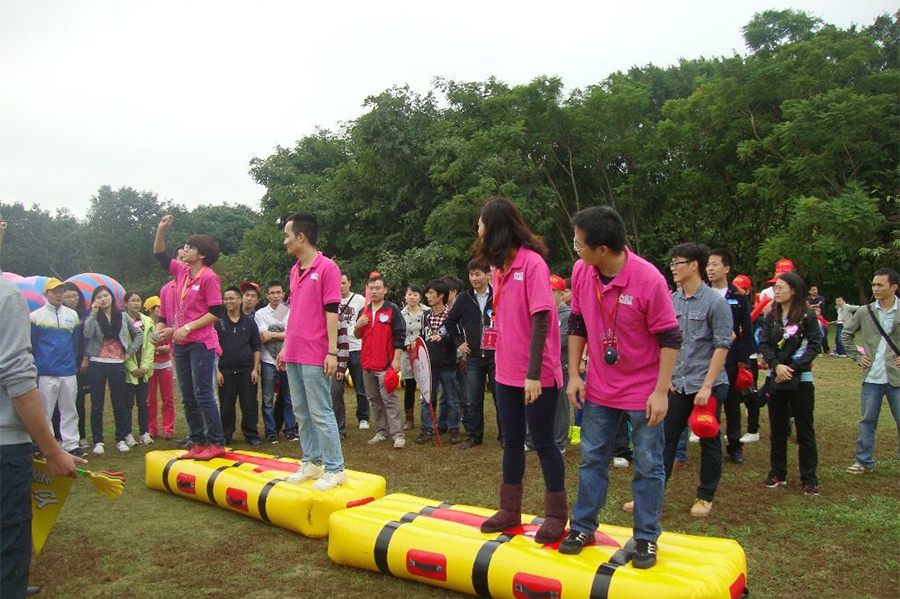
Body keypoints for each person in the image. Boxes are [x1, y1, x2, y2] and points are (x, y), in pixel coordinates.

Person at [559, 206, 681, 569]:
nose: (576, 250)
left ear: (602, 249)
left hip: (643, 391)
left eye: (579, 244)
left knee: (648, 464)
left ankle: (646, 537)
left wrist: (661, 391)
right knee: (592, 458)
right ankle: (583, 527)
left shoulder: (648, 279)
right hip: (599, 387)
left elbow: (670, 338)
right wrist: (575, 375)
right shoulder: (582, 271)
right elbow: (577, 323)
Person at [474, 197, 567, 545]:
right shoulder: (499, 268)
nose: (478, 229)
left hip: (535, 374)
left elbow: (542, 318)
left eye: (481, 223)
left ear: (495, 227)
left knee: (543, 442)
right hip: (505, 372)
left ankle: (556, 515)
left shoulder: (532, 264)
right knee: (511, 441)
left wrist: (533, 374)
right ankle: (509, 510)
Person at [0, 210, 82, 599]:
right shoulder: (8, 298)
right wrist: (51, 451)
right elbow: (18, 379)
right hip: (4, 444)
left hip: (63, 374)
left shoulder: (70, 316)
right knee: (8, 534)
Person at [278, 212, 347, 491]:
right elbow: (295, 312)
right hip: (294, 351)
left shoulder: (328, 268)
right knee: (301, 411)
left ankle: (335, 468)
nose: (285, 241)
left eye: (287, 235)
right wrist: (285, 346)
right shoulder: (295, 270)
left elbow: (332, 312)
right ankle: (312, 461)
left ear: (301, 237)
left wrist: (332, 352)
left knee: (320, 411)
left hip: (316, 352)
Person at [663, 243, 731, 517]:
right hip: (678, 384)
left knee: (708, 437)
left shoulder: (716, 302)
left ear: (694, 265)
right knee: (666, 438)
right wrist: (666, 376)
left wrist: (707, 386)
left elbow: (722, 345)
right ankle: (654, 493)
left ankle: (705, 496)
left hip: (707, 385)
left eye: (677, 263)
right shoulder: (672, 300)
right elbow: (667, 341)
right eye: (672, 263)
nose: (673, 268)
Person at [153, 215, 228, 460]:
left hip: (201, 344)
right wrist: (161, 229)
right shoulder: (182, 272)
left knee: (203, 393)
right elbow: (160, 255)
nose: (185, 250)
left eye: (190, 247)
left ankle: (216, 442)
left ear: (202, 254)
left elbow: (216, 311)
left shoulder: (209, 277)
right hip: (181, 344)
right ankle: (197, 442)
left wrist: (188, 327)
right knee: (186, 396)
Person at [757, 272, 822, 495]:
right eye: (775, 287)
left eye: (781, 287)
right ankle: (777, 473)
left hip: (801, 380)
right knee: (777, 429)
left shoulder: (807, 316)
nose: (776, 291)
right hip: (775, 379)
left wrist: (792, 368)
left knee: (804, 430)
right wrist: (776, 366)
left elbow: (814, 345)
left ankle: (809, 478)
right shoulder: (771, 316)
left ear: (793, 290)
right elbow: (764, 344)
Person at [842, 268, 900, 474]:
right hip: (871, 378)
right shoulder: (865, 312)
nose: (875, 288)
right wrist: (857, 357)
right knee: (867, 421)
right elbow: (846, 334)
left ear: (894, 287)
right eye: (873, 284)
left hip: (897, 378)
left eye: (880, 285)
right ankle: (863, 461)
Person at [706, 248, 754, 464]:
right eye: (708, 264)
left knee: (733, 404)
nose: (710, 269)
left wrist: (743, 359)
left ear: (726, 268)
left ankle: (735, 445)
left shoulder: (738, 296)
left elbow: (746, 329)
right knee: (711, 403)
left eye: (715, 264)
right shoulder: (703, 293)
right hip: (708, 359)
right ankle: (711, 442)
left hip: (732, 359)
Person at [83, 286, 143, 454]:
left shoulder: (122, 316)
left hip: (117, 363)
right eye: (99, 297)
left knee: (119, 403)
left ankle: (121, 439)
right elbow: (87, 334)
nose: (103, 299)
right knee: (97, 404)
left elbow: (139, 333)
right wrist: (93, 313)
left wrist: (130, 352)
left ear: (111, 297)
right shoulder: (93, 316)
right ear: (95, 300)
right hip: (97, 363)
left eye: (106, 296)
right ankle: (98, 441)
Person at [445, 261, 497, 450]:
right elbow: (450, 322)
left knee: (500, 398)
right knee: (473, 399)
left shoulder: (498, 295)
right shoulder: (464, 298)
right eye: (471, 275)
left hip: (497, 356)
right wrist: (459, 342)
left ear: (487, 275)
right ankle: (474, 436)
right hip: (474, 356)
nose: (474, 278)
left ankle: (505, 436)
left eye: (477, 274)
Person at [30, 278, 82, 457]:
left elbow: (75, 343)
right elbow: (32, 344)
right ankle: (46, 444)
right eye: (54, 291)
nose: (59, 295)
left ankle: (71, 444)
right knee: (45, 410)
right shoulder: (36, 316)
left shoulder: (72, 315)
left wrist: (72, 362)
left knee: (70, 408)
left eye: (61, 291)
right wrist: (38, 365)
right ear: (46, 294)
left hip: (68, 370)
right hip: (45, 371)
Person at [354, 275, 406, 449]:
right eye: (371, 288)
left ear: (385, 290)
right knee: (375, 400)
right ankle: (381, 432)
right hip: (367, 363)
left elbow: (400, 335)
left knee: (389, 400)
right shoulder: (364, 310)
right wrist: (358, 325)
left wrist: (396, 359)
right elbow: (357, 335)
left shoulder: (392, 309)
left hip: (385, 364)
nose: (374, 291)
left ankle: (398, 435)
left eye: (378, 288)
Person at [214, 286, 262, 445]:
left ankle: (251, 435)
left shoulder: (249, 323)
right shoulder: (218, 323)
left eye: (231, 298)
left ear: (239, 300)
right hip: (225, 371)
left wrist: (255, 369)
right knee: (226, 405)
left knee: (249, 404)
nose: (228, 302)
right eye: (225, 299)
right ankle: (226, 435)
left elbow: (256, 347)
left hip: (246, 370)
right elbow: (213, 349)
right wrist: (217, 371)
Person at [417, 279, 461, 445]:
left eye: (431, 293)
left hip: (447, 364)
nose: (428, 296)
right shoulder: (426, 315)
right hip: (429, 365)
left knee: (452, 400)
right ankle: (426, 430)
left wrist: (444, 338)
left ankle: (453, 429)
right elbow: (422, 336)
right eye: (427, 293)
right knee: (426, 399)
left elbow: (457, 337)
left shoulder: (452, 315)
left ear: (441, 295)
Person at [255, 281, 298, 443]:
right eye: (272, 293)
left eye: (278, 292)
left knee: (289, 397)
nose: (275, 296)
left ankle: (290, 430)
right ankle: (271, 432)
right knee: (267, 399)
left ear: (283, 294)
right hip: (268, 361)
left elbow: (292, 334)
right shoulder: (261, 314)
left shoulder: (286, 310)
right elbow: (263, 335)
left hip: (287, 360)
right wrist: (282, 335)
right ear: (267, 295)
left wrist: (274, 335)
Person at [337, 272, 369, 429]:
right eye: (338, 283)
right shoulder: (331, 300)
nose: (340, 286)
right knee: (337, 388)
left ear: (349, 283)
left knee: (360, 386)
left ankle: (363, 417)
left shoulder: (360, 300)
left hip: (356, 347)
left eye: (343, 282)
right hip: (337, 349)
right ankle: (338, 418)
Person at [123, 291, 155, 445]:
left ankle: (144, 432)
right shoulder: (121, 320)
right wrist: (132, 367)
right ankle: (127, 433)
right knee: (127, 404)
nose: (136, 303)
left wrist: (145, 366)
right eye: (132, 300)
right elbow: (121, 346)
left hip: (144, 369)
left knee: (143, 403)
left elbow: (151, 344)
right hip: (129, 369)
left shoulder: (147, 320)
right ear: (125, 304)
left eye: (138, 300)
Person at [62, 282, 90, 450]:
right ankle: (60, 436)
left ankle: (81, 435)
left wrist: (85, 359)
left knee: (79, 400)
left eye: (74, 296)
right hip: (63, 362)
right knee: (62, 401)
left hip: (80, 363)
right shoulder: (59, 315)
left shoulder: (85, 315)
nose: (72, 299)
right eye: (67, 296)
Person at [144, 296, 176, 440]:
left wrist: (164, 348)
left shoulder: (168, 324)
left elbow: (172, 344)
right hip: (150, 365)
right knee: (150, 399)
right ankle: (151, 428)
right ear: (151, 309)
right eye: (157, 306)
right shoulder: (144, 324)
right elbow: (144, 345)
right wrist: (159, 349)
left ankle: (168, 429)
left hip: (165, 364)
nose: (160, 309)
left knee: (168, 398)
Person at [399, 284, 428, 431]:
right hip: (407, 353)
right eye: (409, 294)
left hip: (423, 353)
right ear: (405, 296)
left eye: (415, 295)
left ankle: (427, 417)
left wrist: (420, 344)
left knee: (426, 387)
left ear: (420, 297)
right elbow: (398, 332)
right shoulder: (400, 314)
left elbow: (429, 331)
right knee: (409, 387)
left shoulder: (427, 312)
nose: (412, 297)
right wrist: (407, 345)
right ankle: (409, 419)